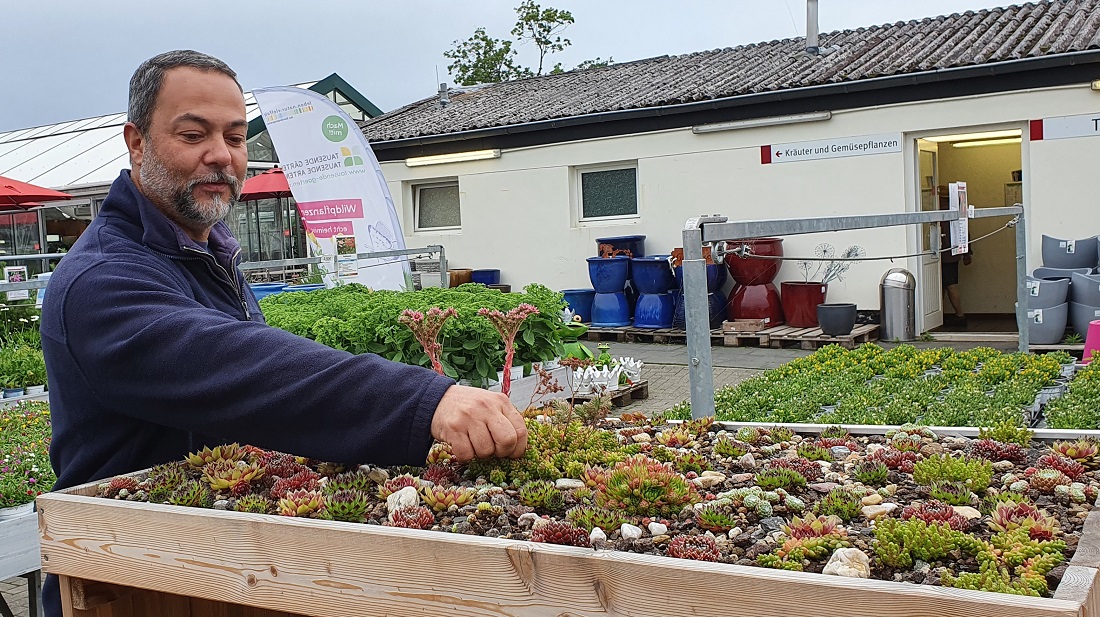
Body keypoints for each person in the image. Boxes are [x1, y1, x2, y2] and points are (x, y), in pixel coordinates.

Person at [38, 50, 528, 616]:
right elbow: (243, 369)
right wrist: (426, 401)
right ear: (137, 143)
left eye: (236, 137)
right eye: (193, 134)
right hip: (127, 581)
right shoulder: (104, 281)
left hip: (217, 570)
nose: (220, 156)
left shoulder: (205, 252)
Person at [940, 219, 973, 327]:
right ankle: (944, 315)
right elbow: (964, 233)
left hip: (945, 255)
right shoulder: (956, 214)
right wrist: (967, 253)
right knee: (946, 285)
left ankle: (959, 315)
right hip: (952, 255)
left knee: (949, 285)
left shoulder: (942, 213)